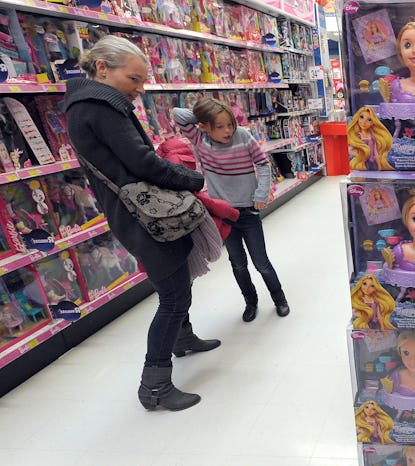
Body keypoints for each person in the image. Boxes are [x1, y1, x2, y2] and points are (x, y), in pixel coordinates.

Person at [62, 35, 220, 412]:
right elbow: (142, 162)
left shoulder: (94, 103)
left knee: (179, 279)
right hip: (141, 214)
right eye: (133, 79)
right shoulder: (99, 107)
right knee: (173, 295)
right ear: (103, 68)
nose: (140, 88)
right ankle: (155, 386)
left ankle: (182, 339)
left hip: (138, 210)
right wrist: (194, 180)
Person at [173, 97, 290, 322]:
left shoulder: (243, 136)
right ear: (205, 126)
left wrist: (261, 194)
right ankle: (250, 302)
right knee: (237, 263)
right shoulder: (200, 139)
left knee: (261, 262)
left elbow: (263, 164)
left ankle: (279, 298)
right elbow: (178, 114)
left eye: (230, 124)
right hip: (223, 215)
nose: (227, 130)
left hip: (248, 212)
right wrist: (205, 114)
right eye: (220, 126)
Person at [347, 106, 393, 171]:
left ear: (372, 123)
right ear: (357, 118)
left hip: (373, 164)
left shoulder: (372, 136)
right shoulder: (357, 136)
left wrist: (379, 166)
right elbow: (350, 150)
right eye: (361, 117)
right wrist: (360, 155)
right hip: (362, 164)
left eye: (369, 120)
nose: (364, 122)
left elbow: (375, 152)